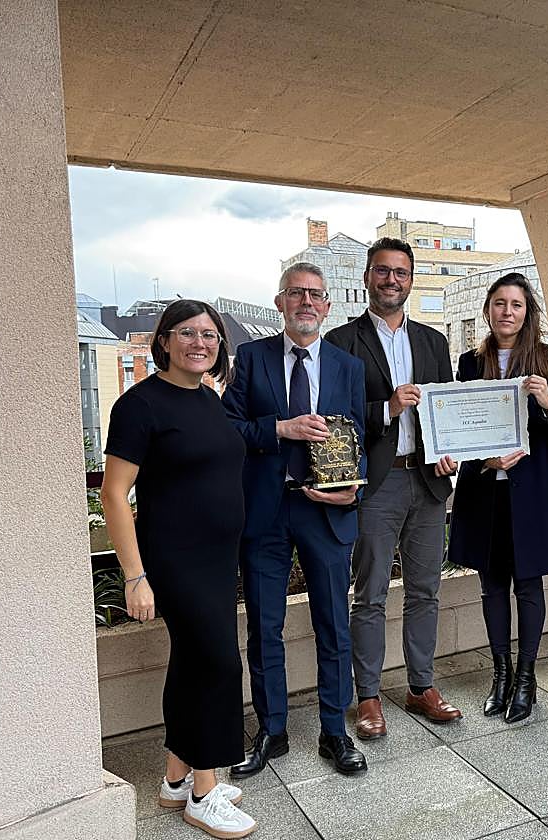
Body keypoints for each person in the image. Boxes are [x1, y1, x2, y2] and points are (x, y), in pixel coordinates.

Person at [101, 300, 255, 839]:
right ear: (163, 341)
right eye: (186, 333)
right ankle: (204, 792)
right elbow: (114, 494)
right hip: (173, 558)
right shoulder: (139, 405)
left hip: (216, 559)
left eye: (210, 334)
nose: (199, 342)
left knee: (191, 664)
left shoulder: (210, 400)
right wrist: (135, 575)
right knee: (216, 664)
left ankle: (173, 779)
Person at [223, 262, 368, 777]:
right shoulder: (250, 357)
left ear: (328, 307)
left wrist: (352, 486)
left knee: (333, 623)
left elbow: (359, 439)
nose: (307, 302)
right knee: (265, 626)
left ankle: (335, 730)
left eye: (316, 295)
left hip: (325, 512)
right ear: (281, 302)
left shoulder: (347, 367)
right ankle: (273, 730)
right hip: (266, 510)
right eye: (296, 293)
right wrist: (280, 428)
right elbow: (228, 428)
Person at [324, 237, 462, 739]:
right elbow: (335, 419)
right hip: (378, 483)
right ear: (366, 277)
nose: (391, 280)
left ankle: (421, 685)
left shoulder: (433, 342)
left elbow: (446, 412)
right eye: (382, 271)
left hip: (427, 481)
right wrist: (387, 408)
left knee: (426, 589)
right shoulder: (341, 343)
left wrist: (450, 452)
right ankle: (368, 696)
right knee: (371, 594)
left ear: (411, 279)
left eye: (401, 272)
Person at [448, 273, 548, 723]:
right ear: (487, 310)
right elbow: (463, 427)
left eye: (516, 304)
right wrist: (486, 460)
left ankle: (526, 679)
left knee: (528, 584)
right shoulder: (468, 363)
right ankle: (500, 675)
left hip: (532, 494)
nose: (507, 312)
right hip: (485, 492)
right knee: (491, 583)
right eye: (499, 303)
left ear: (527, 312)